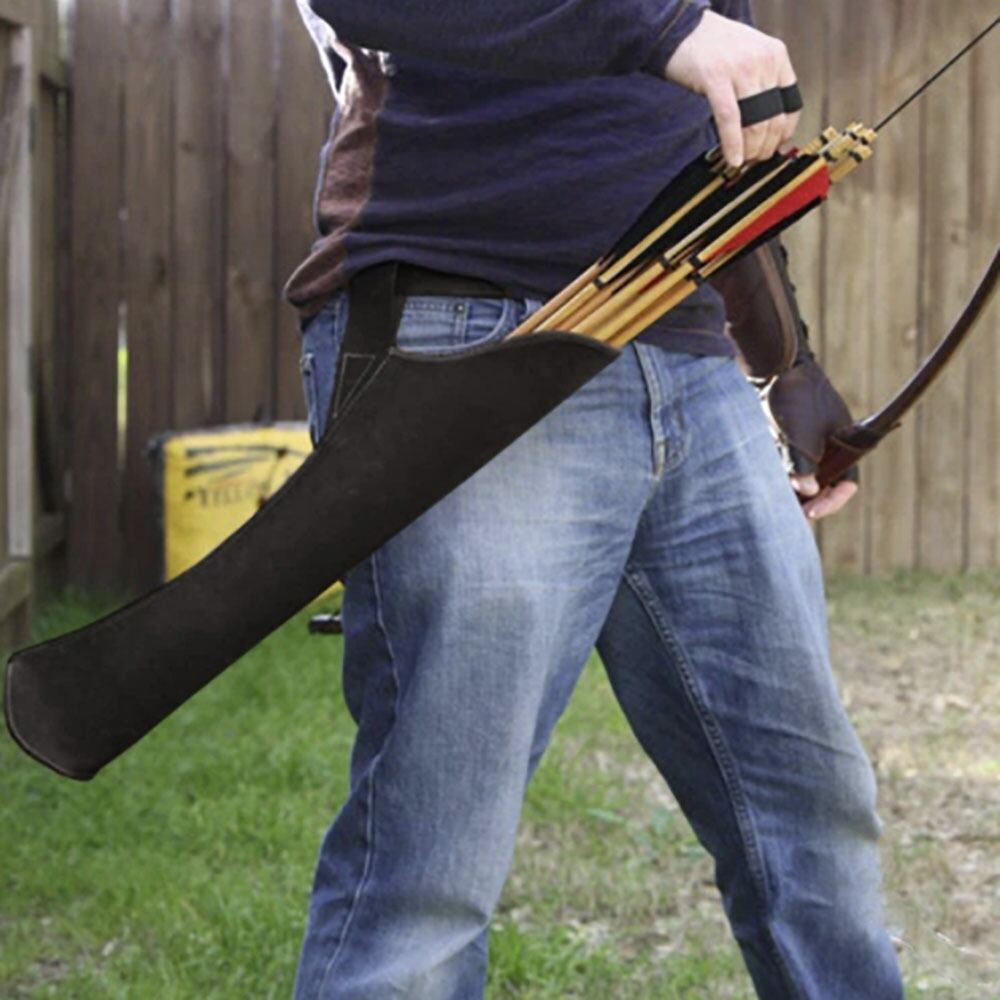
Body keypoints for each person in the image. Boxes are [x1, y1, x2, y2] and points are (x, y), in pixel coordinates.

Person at [285, 1, 904, 997]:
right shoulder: (657, 21)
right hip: (471, 324)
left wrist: (783, 361)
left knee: (810, 815)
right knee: (429, 866)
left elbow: (716, 134)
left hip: (688, 355)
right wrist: (661, 29)